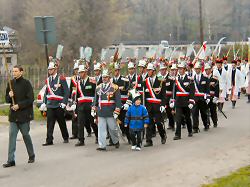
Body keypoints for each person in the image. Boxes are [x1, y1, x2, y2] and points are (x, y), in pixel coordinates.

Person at [3, 65, 35, 168]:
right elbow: (7, 100)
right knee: (12, 136)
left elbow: (30, 99)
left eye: (16, 71)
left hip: (24, 115)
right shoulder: (10, 83)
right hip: (13, 116)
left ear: (21, 72)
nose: (14, 73)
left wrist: (19, 105)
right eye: (13, 71)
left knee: (25, 135)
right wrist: (9, 95)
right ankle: (11, 160)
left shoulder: (26, 84)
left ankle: (31, 155)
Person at [40, 61, 70, 146]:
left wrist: (64, 103)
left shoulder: (61, 79)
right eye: (49, 69)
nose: (50, 71)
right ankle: (49, 140)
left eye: (51, 69)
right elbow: (46, 93)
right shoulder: (48, 80)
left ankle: (65, 137)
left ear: (55, 69)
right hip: (50, 105)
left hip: (59, 104)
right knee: (49, 123)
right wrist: (44, 103)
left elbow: (67, 92)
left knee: (61, 122)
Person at [92, 69, 122, 151]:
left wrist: (117, 111)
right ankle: (102, 145)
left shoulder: (114, 87)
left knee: (113, 129)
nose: (104, 78)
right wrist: (93, 108)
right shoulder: (98, 87)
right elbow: (95, 100)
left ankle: (116, 141)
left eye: (106, 77)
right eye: (103, 77)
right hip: (101, 111)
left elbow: (118, 101)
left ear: (109, 77)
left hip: (111, 111)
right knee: (101, 129)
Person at [143, 63, 167, 147]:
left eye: (150, 70)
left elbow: (164, 94)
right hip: (149, 106)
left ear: (153, 71)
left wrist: (163, 105)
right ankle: (149, 141)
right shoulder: (145, 81)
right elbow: (144, 95)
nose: (148, 72)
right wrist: (144, 105)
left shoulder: (161, 79)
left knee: (159, 123)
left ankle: (163, 135)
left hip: (157, 105)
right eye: (147, 70)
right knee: (149, 123)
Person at [73, 65, 97, 146]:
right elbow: (77, 96)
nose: (80, 74)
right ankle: (81, 140)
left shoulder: (92, 81)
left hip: (90, 105)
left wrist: (95, 105)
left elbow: (96, 93)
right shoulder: (78, 83)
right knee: (80, 123)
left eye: (82, 72)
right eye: (79, 72)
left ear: (86, 72)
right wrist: (75, 108)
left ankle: (97, 136)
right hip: (81, 105)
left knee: (92, 122)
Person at [170, 61, 195, 140]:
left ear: (185, 69)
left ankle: (190, 131)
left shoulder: (189, 79)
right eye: (179, 69)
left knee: (187, 118)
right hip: (178, 101)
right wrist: (172, 100)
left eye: (181, 69)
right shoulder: (176, 79)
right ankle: (178, 134)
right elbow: (174, 91)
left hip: (186, 101)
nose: (180, 70)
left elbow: (192, 91)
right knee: (178, 118)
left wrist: (191, 101)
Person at [192, 62, 210, 132]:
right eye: (195, 69)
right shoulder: (192, 79)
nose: (197, 70)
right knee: (194, 114)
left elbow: (207, 89)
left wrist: (208, 97)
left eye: (198, 69)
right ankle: (195, 128)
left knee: (204, 113)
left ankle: (206, 124)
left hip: (203, 99)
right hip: (195, 99)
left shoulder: (205, 78)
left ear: (200, 69)